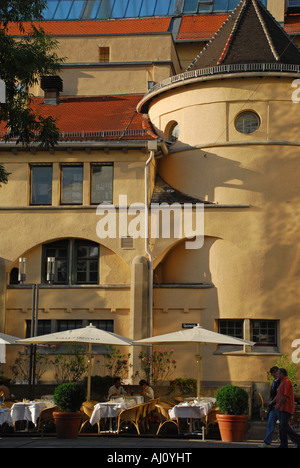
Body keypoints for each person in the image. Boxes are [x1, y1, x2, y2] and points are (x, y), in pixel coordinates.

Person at [275, 368, 300, 448]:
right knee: (283, 427)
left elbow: (285, 396)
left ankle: (297, 440)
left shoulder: (287, 382)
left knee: (283, 425)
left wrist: (279, 404)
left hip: (286, 408)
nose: (277, 375)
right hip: (282, 408)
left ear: (282, 374)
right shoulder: (282, 382)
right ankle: (284, 444)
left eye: (278, 374)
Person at [258, 366, 280, 448]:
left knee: (285, 426)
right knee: (270, 423)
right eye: (272, 373)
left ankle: (297, 440)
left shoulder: (280, 381)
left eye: (274, 373)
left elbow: (279, 394)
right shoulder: (275, 381)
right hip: (274, 407)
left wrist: (272, 401)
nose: (273, 375)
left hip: (278, 406)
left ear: (277, 372)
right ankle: (267, 443)